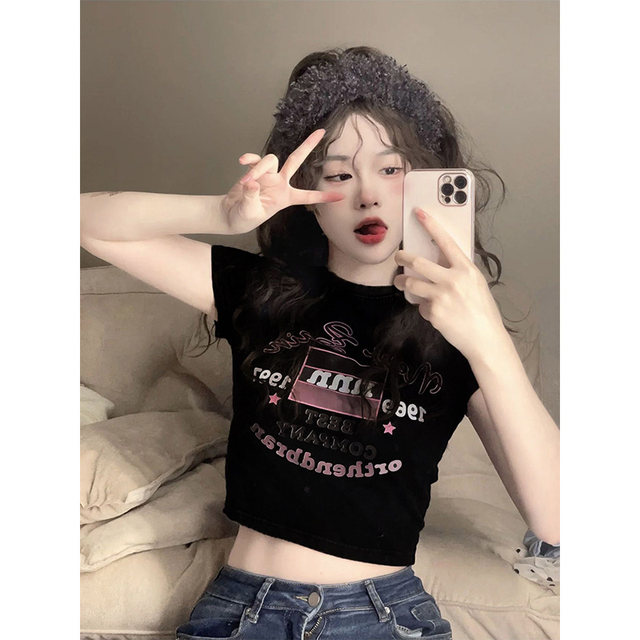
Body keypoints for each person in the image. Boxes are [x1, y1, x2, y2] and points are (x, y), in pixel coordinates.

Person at [81, 46, 559, 640]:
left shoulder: (460, 332)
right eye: (338, 175)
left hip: (383, 616)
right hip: (240, 612)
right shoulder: (261, 292)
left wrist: (488, 339)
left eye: (391, 170)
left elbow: (559, 519)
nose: (367, 195)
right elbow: (86, 221)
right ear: (306, 195)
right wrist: (223, 213)